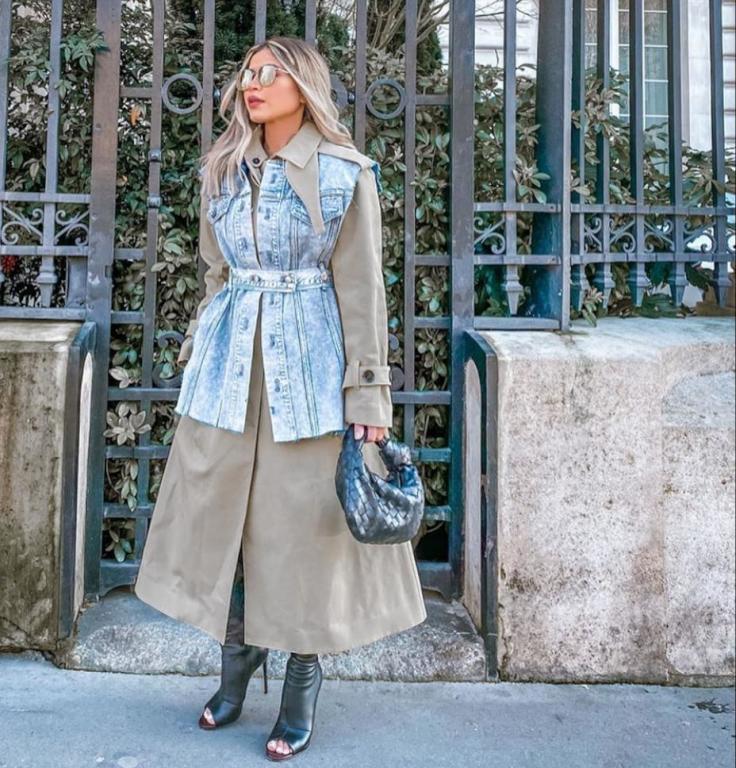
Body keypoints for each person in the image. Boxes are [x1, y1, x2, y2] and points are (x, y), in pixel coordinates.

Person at [133, 35, 427, 761]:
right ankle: (237, 661)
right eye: (248, 73)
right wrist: (201, 345)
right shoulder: (223, 168)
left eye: (271, 72)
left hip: (309, 374)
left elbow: (362, 290)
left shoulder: (344, 174)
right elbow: (215, 272)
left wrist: (368, 399)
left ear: (305, 85)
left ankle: (301, 677)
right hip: (230, 370)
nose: (253, 83)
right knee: (224, 527)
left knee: (301, 537)